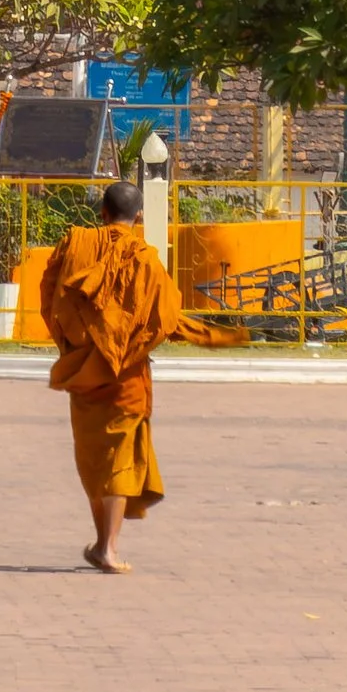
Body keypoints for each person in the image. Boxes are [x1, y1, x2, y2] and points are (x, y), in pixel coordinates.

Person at [44, 176, 245, 572]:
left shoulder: (76, 247)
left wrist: (70, 346)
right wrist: (215, 335)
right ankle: (108, 547)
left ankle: (103, 542)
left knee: (94, 461)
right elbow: (166, 319)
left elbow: (51, 294)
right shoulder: (146, 260)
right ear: (139, 216)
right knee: (118, 460)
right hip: (126, 378)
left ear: (102, 213)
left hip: (84, 372)